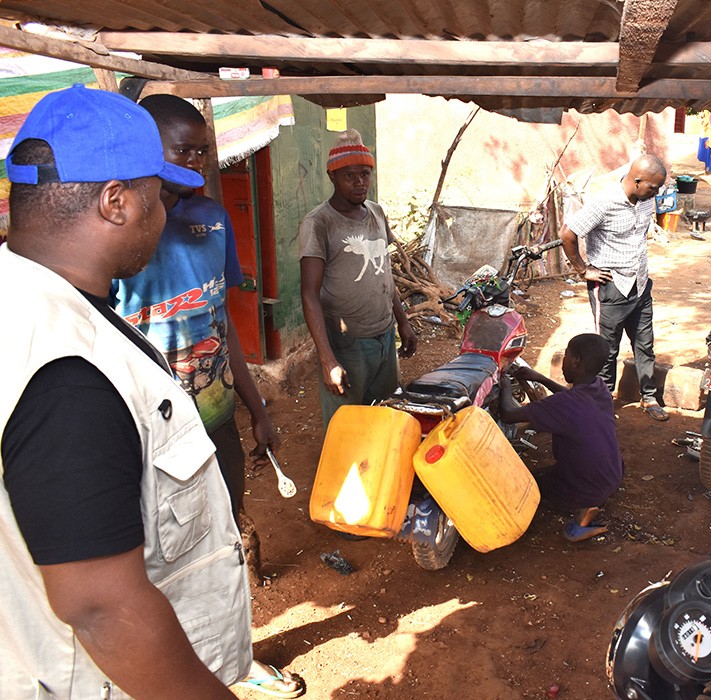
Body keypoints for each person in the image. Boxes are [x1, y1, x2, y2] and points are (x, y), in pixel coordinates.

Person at [0, 84, 251, 699]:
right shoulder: (67, 373)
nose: (164, 214)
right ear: (115, 201)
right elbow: (101, 607)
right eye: (155, 196)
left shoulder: (26, 301)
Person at [111, 94, 303, 698]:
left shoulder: (211, 221)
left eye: (202, 149)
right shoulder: (119, 239)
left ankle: (238, 660)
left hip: (213, 422)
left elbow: (221, 327)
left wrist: (258, 407)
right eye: (182, 149)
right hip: (149, 435)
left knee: (221, 540)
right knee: (156, 562)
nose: (195, 160)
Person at [299, 129, 418, 434]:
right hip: (347, 343)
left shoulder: (376, 212)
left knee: (384, 417)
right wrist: (328, 360)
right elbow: (309, 294)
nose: (359, 182)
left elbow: (385, 272)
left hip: (383, 335)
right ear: (332, 176)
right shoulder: (319, 223)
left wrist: (401, 321)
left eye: (365, 174)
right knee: (347, 426)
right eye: (349, 175)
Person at [559, 154, 670, 421]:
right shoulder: (604, 203)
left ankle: (649, 397)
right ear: (637, 180)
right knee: (606, 348)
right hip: (610, 287)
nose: (656, 193)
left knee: (645, 345)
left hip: (640, 284)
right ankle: (604, 398)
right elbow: (567, 233)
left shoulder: (645, 200)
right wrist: (583, 269)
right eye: (653, 187)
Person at [498, 334, 624, 542]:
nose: (564, 360)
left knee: (527, 484)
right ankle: (592, 502)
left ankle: (581, 521)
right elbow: (569, 397)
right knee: (550, 473)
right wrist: (540, 378)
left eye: (566, 355)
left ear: (576, 361)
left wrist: (504, 382)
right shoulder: (600, 388)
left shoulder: (565, 405)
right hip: (612, 473)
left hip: (588, 486)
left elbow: (508, 414)